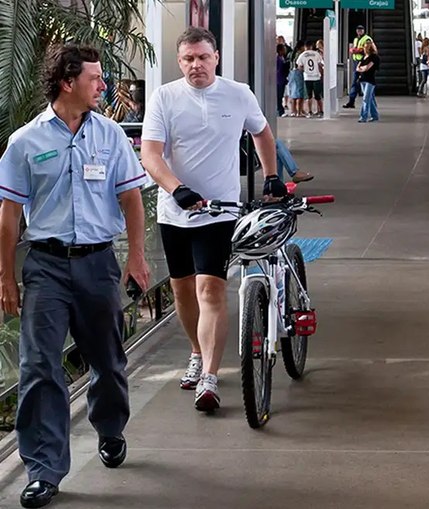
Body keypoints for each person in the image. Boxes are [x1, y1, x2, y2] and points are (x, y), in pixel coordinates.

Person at [0, 43, 150, 508]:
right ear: (68, 83)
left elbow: (131, 199)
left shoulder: (110, 135)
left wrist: (137, 257)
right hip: (45, 266)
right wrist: (6, 276)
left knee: (106, 357)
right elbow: (9, 214)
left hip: (98, 263)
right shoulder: (25, 141)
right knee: (39, 365)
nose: (103, 85)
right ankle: (44, 469)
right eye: (94, 78)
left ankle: (110, 427)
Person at [141, 27, 287, 412]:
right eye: (188, 59)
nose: (196, 65)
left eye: (203, 57)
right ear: (179, 62)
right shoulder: (164, 97)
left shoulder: (238, 94)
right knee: (183, 291)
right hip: (175, 212)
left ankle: (209, 375)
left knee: (210, 290)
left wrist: (272, 175)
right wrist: (177, 189)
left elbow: (262, 133)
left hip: (220, 211)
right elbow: (150, 154)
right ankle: (196, 350)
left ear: (216, 58)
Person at [343, 25, 374, 109]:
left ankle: (367, 102)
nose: (359, 31)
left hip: (364, 62)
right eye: (358, 30)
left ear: (364, 31)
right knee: (357, 82)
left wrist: (358, 51)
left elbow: (368, 49)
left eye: (361, 30)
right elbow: (354, 48)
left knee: (363, 82)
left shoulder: (367, 39)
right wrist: (353, 50)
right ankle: (352, 101)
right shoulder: (356, 39)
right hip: (356, 62)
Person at [298, 41, 324, 118]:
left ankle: (309, 111)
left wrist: (305, 70)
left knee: (308, 96)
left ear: (305, 47)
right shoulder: (316, 54)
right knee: (318, 96)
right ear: (311, 46)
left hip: (307, 77)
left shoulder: (302, 55)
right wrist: (321, 74)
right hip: (316, 77)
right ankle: (320, 111)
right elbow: (320, 65)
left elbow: (299, 66)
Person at [357, 40, 381, 123]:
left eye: (366, 47)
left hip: (370, 81)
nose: (364, 49)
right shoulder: (364, 57)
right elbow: (358, 68)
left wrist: (362, 68)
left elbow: (367, 68)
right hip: (362, 80)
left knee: (365, 98)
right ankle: (375, 116)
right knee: (370, 99)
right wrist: (362, 68)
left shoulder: (374, 57)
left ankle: (363, 116)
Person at [276, 44, 290, 117]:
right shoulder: (278, 59)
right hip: (279, 80)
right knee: (279, 96)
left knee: (280, 96)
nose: (285, 50)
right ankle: (280, 111)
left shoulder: (282, 58)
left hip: (282, 79)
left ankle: (280, 110)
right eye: (284, 49)